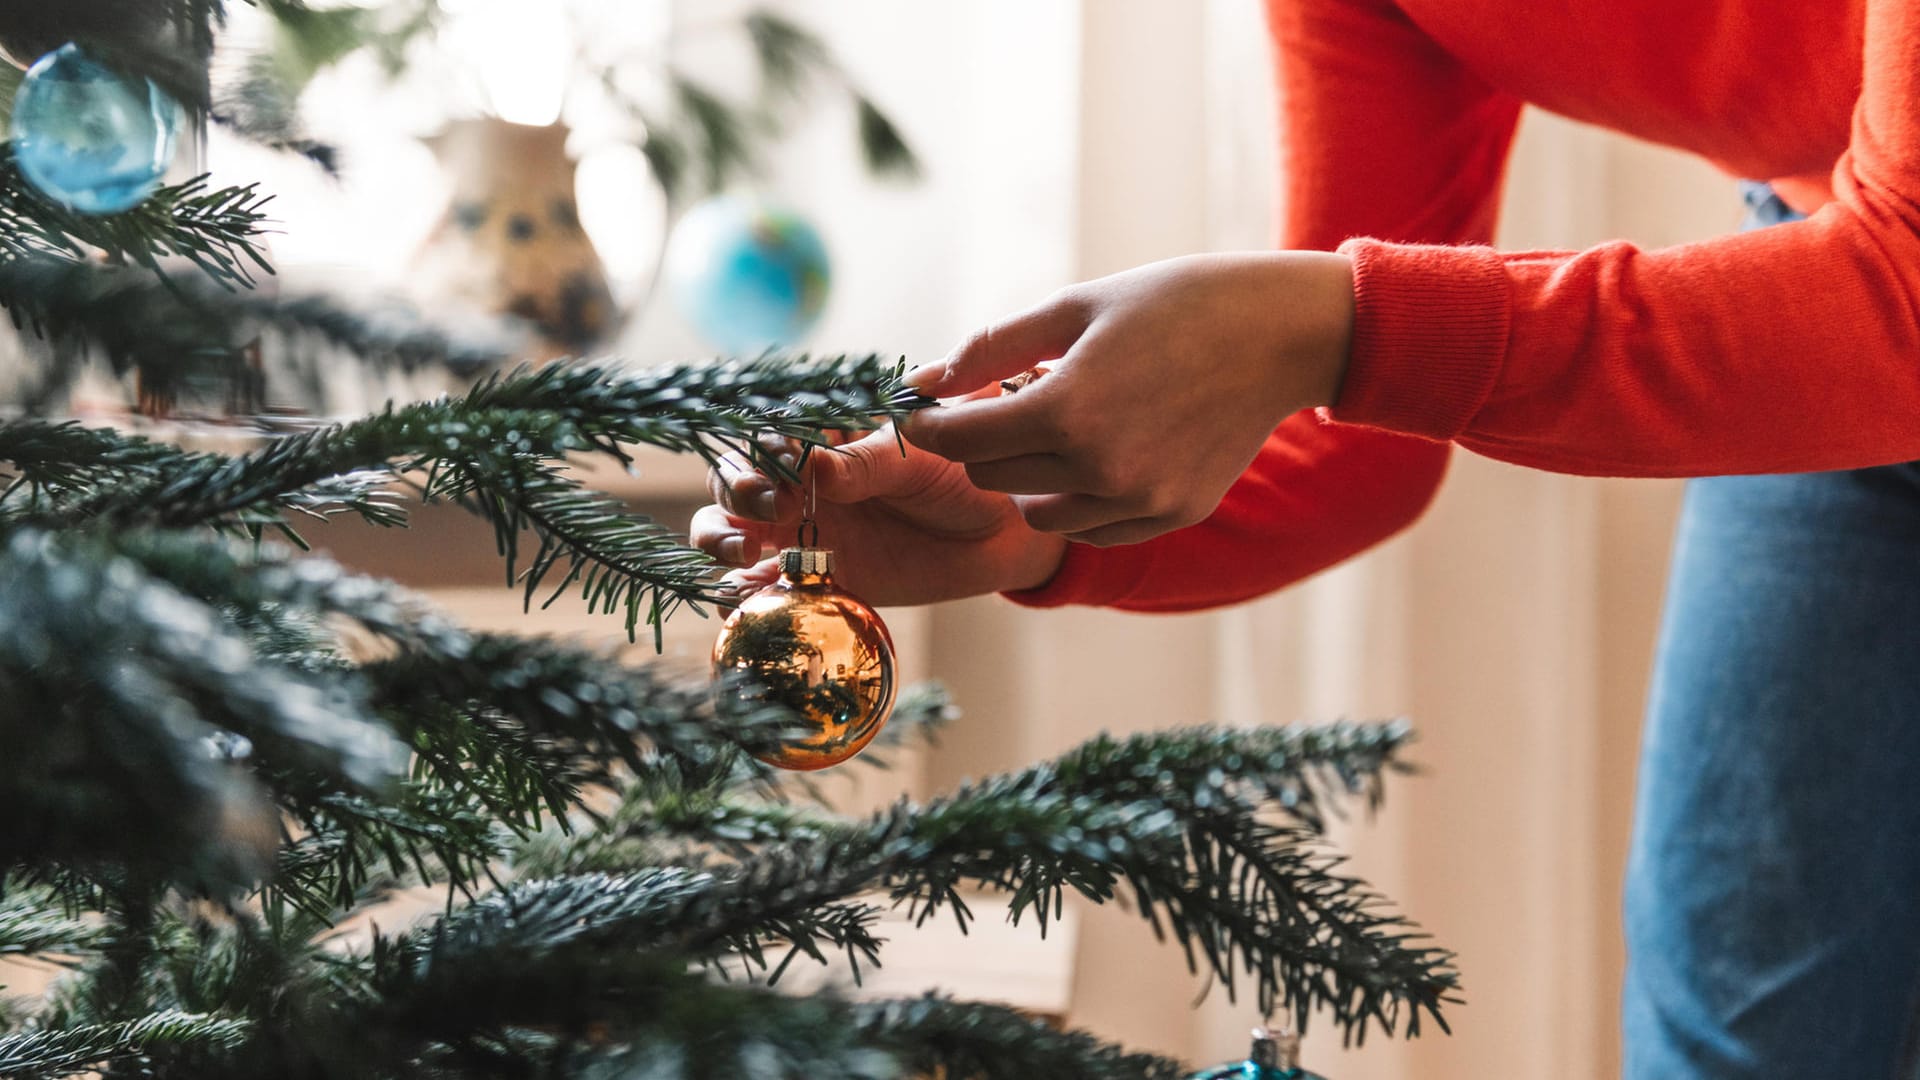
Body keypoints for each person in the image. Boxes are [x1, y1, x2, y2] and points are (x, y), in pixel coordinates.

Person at [692, 0, 1920, 1075]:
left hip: (1878, 295)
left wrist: (1327, 327)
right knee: (1738, 1027)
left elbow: (1903, 302)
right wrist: (1035, 532)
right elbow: (1356, 443)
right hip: (1827, 285)